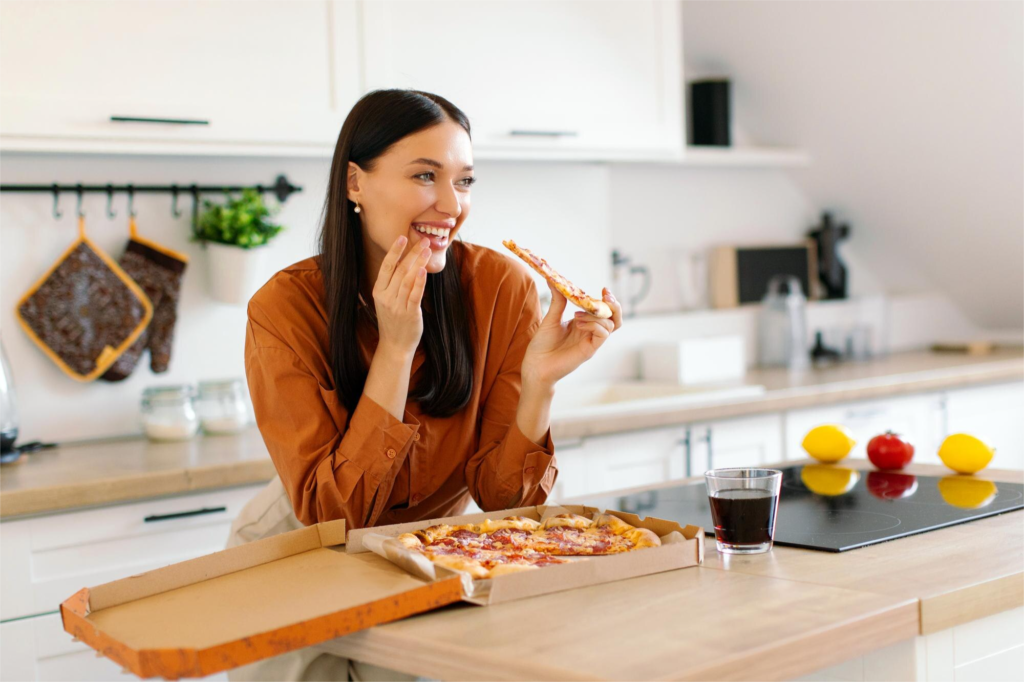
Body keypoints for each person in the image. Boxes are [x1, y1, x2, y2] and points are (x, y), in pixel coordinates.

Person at [226, 89, 622, 682]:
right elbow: (335, 516)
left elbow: (508, 506)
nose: (449, 204)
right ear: (355, 183)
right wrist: (396, 344)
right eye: (424, 175)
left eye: (463, 181)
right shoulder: (285, 308)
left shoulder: (499, 288)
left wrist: (537, 386)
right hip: (299, 549)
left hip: (433, 549)